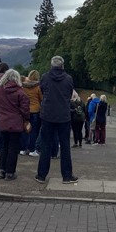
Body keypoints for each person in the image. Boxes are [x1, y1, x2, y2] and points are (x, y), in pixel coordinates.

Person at [34, 55, 78, 184]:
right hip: (64, 116)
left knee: (45, 145)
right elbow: (70, 94)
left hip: (47, 115)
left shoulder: (45, 77)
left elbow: (42, 90)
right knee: (65, 146)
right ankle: (67, 176)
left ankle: (41, 175)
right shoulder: (68, 79)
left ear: (51, 65)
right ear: (62, 65)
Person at [0, 69, 29, 181]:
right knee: (13, 148)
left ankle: (1, 170)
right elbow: (25, 110)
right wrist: (26, 119)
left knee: (4, 146)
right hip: (16, 123)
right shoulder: (21, 92)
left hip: (3, 122)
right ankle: (10, 172)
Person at [21, 70, 43, 157]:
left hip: (25, 110)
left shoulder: (23, 86)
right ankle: (32, 150)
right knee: (33, 131)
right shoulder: (38, 87)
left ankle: (23, 149)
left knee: (25, 130)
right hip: (35, 111)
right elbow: (41, 98)